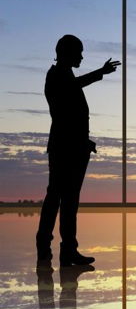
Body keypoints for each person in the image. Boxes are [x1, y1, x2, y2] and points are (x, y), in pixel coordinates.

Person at [36, 34, 120, 266]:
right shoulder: (57, 76)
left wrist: (85, 142)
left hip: (74, 146)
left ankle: (67, 250)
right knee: (58, 197)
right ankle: (46, 246)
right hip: (66, 148)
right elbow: (67, 103)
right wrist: (100, 73)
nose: (82, 56)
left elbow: (71, 115)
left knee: (68, 199)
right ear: (67, 52)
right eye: (79, 52)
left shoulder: (64, 76)